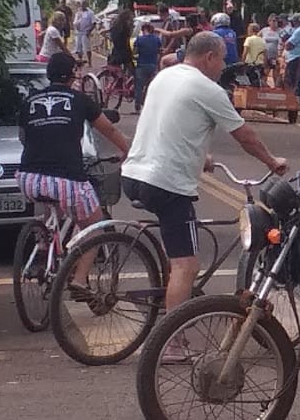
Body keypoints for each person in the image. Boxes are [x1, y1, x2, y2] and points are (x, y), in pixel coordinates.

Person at [122, 31, 287, 313]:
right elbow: (245, 137)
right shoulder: (208, 89)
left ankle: (168, 290)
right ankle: (173, 333)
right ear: (209, 57)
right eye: (222, 60)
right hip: (166, 185)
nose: (223, 67)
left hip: (133, 174)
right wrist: (272, 162)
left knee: (176, 252)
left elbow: (171, 126)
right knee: (186, 265)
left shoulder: (164, 77)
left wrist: (201, 157)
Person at [16, 50, 128, 292]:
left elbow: (23, 138)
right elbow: (108, 130)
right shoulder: (79, 100)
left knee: (51, 203)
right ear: (71, 75)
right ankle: (79, 280)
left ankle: (44, 245)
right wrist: (128, 150)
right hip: (66, 179)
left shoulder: (30, 101)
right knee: (95, 225)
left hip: (28, 178)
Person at [133, 21, 163, 113]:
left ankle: (138, 107)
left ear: (144, 30)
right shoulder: (157, 39)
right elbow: (160, 51)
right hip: (153, 65)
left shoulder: (139, 39)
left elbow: (135, 52)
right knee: (150, 87)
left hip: (141, 65)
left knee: (139, 87)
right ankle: (149, 106)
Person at [283, 13, 300, 93]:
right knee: (295, 80)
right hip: (297, 58)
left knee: (291, 80)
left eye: (293, 21)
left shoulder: (299, 31)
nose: (292, 23)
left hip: (295, 58)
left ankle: (292, 97)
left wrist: (287, 44)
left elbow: (288, 45)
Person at [73, 0, 96, 66]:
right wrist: (76, 26)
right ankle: (80, 61)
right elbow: (75, 22)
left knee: (87, 47)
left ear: (86, 5)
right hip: (79, 32)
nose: (82, 6)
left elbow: (94, 23)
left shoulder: (90, 13)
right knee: (79, 47)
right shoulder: (78, 12)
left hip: (86, 32)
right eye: (81, 5)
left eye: (83, 4)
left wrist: (89, 31)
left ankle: (89, 62)